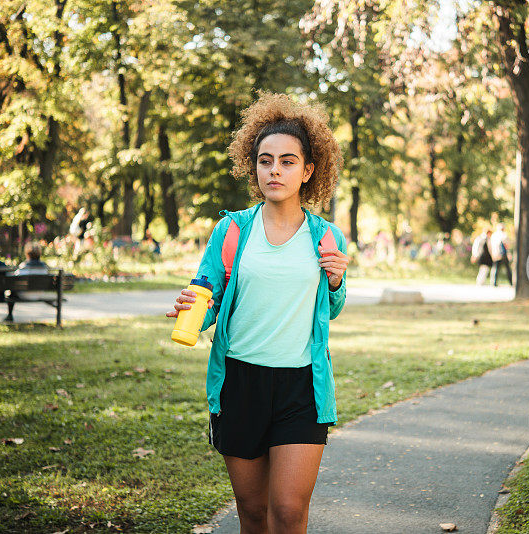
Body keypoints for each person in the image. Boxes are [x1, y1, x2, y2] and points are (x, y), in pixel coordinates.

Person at [166, 93, 349, 533]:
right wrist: (192, 307)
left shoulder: (327, 237)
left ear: (308, 171)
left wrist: (338, 282)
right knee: (252, 514)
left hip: (301, 387)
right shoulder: (231, 230)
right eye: (265, 161)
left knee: (287, 512)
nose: (275, 170)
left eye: (288, 162)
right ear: (254, 168)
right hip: (240, 381)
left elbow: (331, 309)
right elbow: (208, 296)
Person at [3, 241, 51, 322]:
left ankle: (10, 315)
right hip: (39, 293)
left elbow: (14, 280)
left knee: (12, 292)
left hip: (24, 294)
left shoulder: (23, 267)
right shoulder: (44, 268)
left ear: (27, 254)